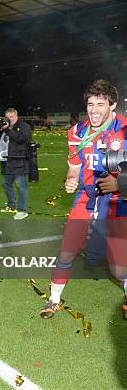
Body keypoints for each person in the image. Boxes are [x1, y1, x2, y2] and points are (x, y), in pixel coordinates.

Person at [40, 79, 127, 320]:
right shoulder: (77, 132)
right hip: (87, 198)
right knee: (67, 251)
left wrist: (119, 183)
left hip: (119, 200)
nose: (94, 109)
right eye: (90, 104)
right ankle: (54, 299)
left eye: (101, 103)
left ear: (113, 105)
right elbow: (74, 166)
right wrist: (71, 178)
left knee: (119, 268)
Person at [0, 108, 31, 220]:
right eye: (7, 117)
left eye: (12, 117)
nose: (9, 119)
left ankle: (22, 210)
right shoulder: (4, 126)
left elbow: (22, 139)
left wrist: (8, 130)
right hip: (5, 160)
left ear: (16, 116)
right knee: (6, 183)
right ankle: (11, 205)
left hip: (18, 159)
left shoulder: (23, 126)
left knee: (21, 186)